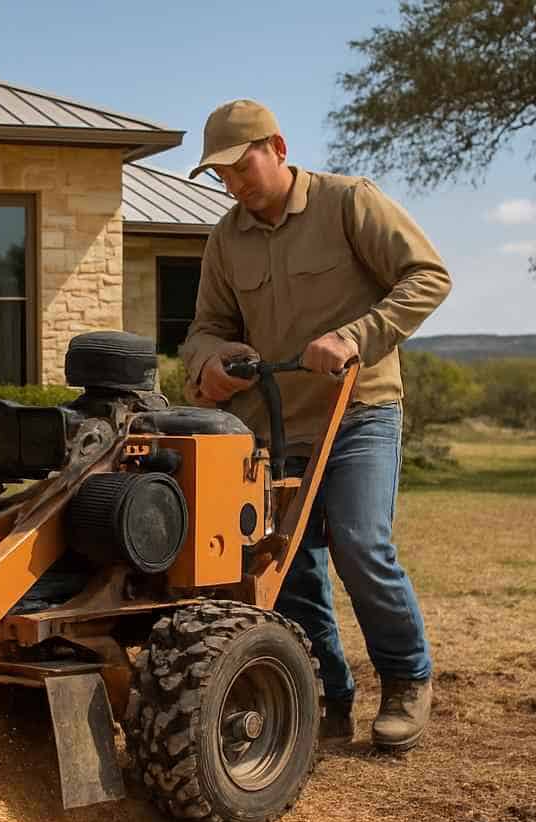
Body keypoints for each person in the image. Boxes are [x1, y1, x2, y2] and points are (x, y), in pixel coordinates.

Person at [178, 98, 451, 751]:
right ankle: (326, 696)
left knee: (359, 544)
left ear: (277, 148)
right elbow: (205, 329)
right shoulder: (225, 238)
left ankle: (407, 678)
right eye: (221, 175)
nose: (233, 185)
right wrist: (209, 361)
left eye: (241, 168)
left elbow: (427, 277)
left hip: (358, 411)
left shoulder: (349, 202)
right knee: (285, 562)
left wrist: (355, 336)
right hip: (272, 426)